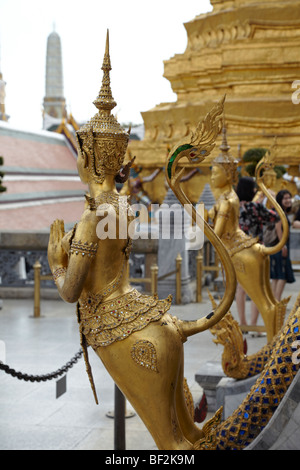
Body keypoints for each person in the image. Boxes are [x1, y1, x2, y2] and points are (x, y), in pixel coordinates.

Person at [235, 177, 279, 330]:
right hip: (255, 251)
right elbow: (274, 217)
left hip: (238, 251)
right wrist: (270, 199)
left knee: (240, 288)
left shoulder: (234, 206)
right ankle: (254, 324)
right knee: (257, 288)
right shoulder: (255, 207)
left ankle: (243, 323)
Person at [270, 190, 296, 301]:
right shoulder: (279, 211)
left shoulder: (281, 211)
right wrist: (283, 245)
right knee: (282, 275)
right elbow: (278, 228)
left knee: (277, 275)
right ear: (280, 200)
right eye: (285, 198)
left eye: (289, 198)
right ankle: (276, 301)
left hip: (278, 247)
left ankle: (274, 301)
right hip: (280, 246)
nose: (288, 200)